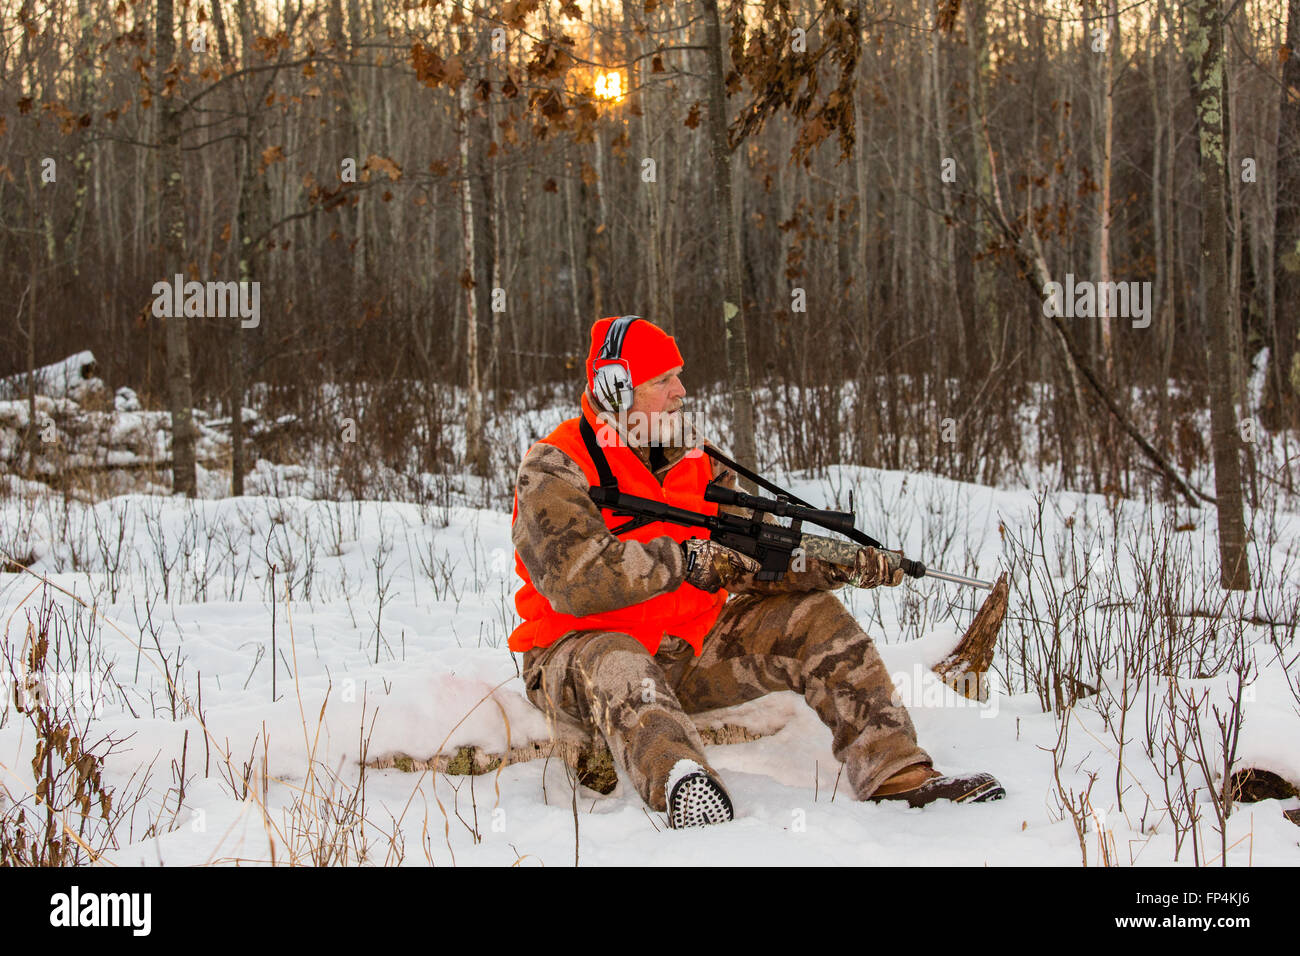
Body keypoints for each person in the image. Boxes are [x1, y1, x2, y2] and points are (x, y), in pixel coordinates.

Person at [509, 316, 1004, 828]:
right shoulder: (555, 464)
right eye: (663, 380)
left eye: (678, 375)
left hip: (689, 650)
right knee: (620, 659)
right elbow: (573, 580)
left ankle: (897, 773)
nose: (682, 391)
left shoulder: (693, 456)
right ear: (615, 390)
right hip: (576, 658)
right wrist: (688, 560)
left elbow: (752, 545)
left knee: (812, 615)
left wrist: (830, 563)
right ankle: (684, 784)